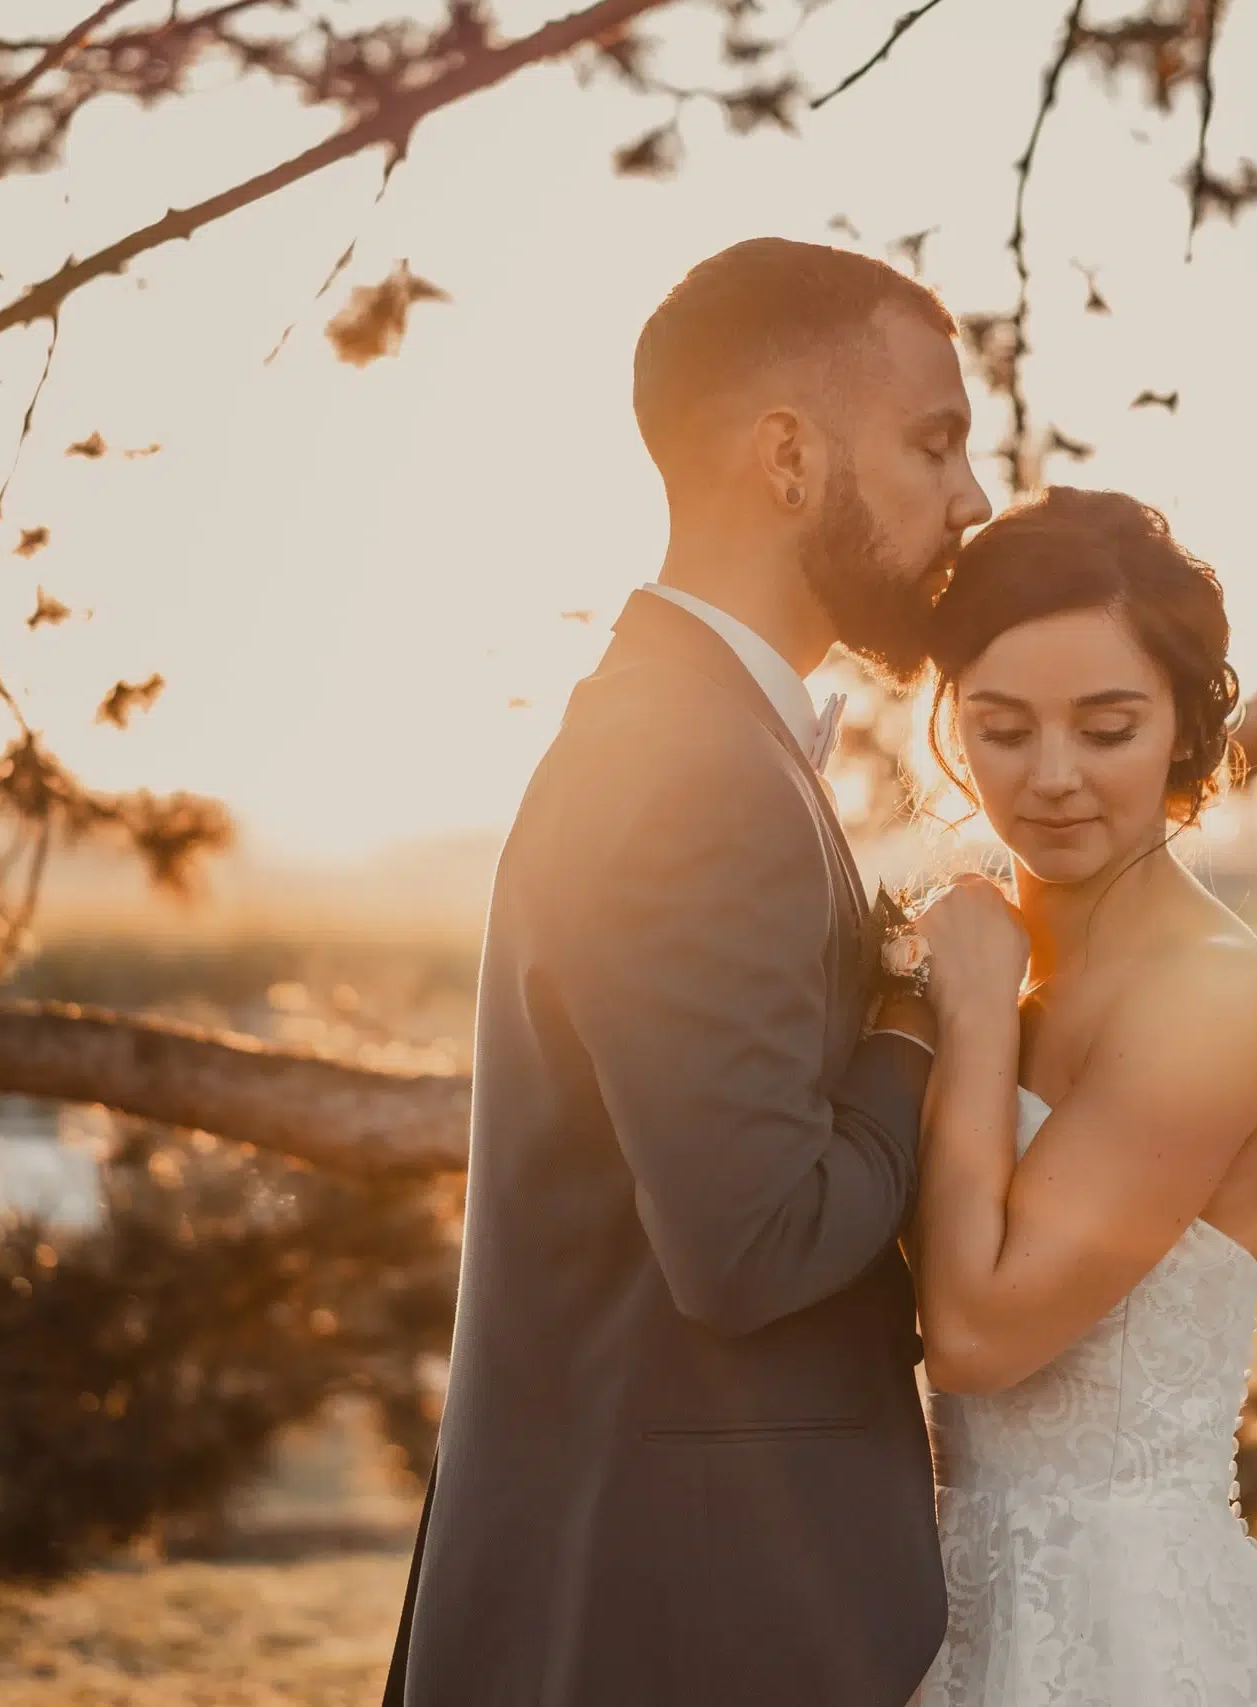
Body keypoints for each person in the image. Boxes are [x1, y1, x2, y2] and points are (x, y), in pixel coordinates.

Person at [379, 236, 991, 1707]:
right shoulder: (690, 767)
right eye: (934, 442)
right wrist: (921, 1019)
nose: (972, 496)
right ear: (787, 458)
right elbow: (753, 1241)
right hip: (675, 1627)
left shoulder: (695, 733)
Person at [891, 486, 1257, 1706]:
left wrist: (974, 1019)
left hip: (1131, 1637)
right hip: (932, 1610)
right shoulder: (993, 958)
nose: (1052, 777)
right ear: (951, 723)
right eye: (1002, 728)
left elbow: (975, 1338)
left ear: (1183, 727)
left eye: (1106, 728)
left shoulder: (1205, 995)